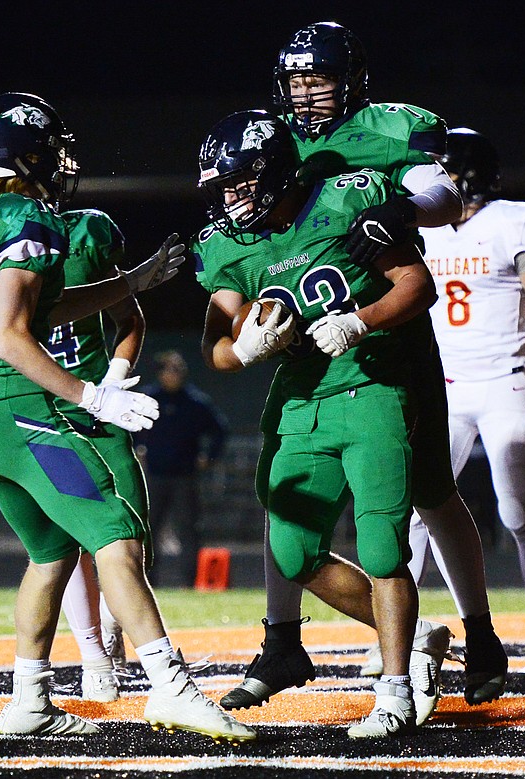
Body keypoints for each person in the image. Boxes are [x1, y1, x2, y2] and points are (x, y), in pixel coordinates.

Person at [0, 91, 253, 741]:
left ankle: (29, 700)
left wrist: (128, 283)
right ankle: (172, 686)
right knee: (116, 537)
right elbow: (14, 336)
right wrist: (92, 395)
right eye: (50, 150)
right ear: (25, 156)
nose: (61, 162)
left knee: (49, 555)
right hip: (23, 410)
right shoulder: (24, 214)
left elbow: (40, 312)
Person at [223, 20, 508, 716]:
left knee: (432, 490)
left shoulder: (387, 129)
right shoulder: (278, 140)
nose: (306, 92)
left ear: (350, 78)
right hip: (305, 338)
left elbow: (440, 198)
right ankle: (282, 635)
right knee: (285, 489)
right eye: (296, 80)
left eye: (318, 77)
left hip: (386, 332)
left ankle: (480, 633)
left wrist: (395, 207)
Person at [194, 109, 439, 739]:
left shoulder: (347, 197)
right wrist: (244, 349)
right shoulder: (230, 242)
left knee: (383, 546)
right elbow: (218, 347)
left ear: (274, 172)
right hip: (301, 401)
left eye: (239, 182)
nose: (229, 197)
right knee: (293, 551)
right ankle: (412, 646)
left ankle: (393, 690)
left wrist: (363, 320)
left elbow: (417, 284)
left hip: (372, 388)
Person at [0, 203, 152, 706]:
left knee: (101, 540)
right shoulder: (15, 236)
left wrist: (110, 383)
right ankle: (137, 670)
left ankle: (37, 692)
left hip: (70, 408)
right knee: (82, 542)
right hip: (42, 412)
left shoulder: (73, 236)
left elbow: (118, 315)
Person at [406, 128, 525, 682]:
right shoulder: (423, 234)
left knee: (518, 515)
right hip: (444, 389)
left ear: (464, 177)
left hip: (505, 383)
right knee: (413, 515)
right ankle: (401, 636)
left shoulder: (512, 222)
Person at [134, 349, 229, 586]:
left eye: (178, 370)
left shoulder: (195, 403)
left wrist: (209, 457)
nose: (174, 375)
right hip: (155, 475)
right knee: (150, 530)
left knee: (188, 531)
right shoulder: (149, 399)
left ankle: (191, 582)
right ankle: (148, 581)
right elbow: (129, 426)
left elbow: (220, 430)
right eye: (169, 370)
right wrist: (136, 448)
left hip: (185, 477)